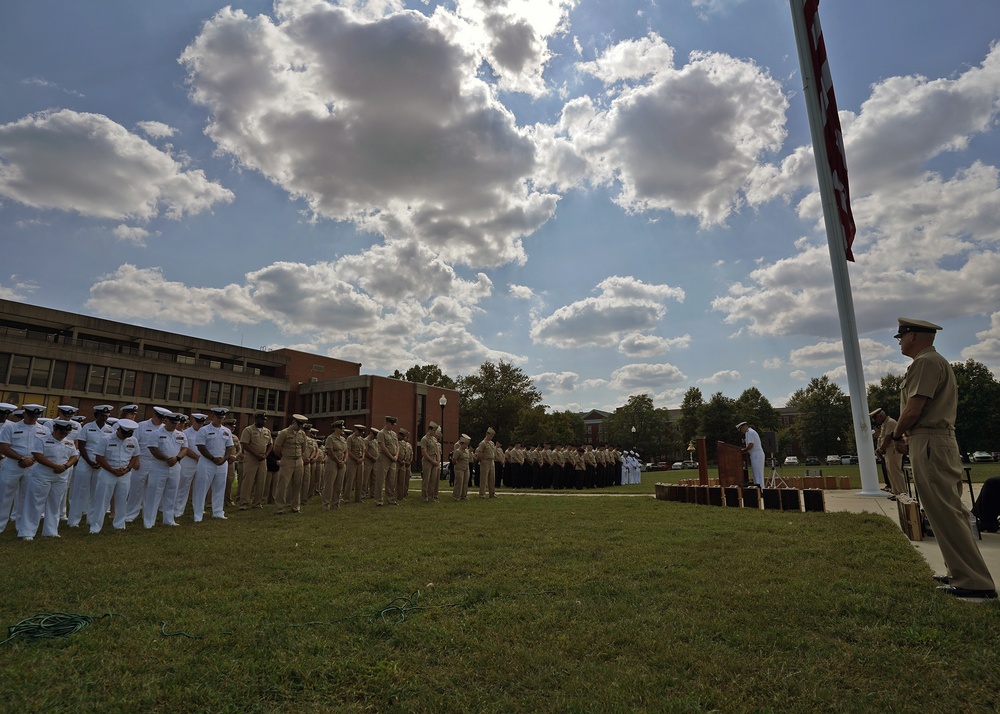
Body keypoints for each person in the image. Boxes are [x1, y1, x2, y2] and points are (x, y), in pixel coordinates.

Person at [890, 317, 997, 600]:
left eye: (900, 336)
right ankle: (960, 572)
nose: (899, 341)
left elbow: (913, 410)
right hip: (931, 440)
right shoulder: (934, 362)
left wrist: (895, 435)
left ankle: (974, 582)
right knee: (944, 511)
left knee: (946, 512)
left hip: (931, 442)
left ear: (912, 336)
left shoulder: (925, 363)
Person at [19, 419, 78, 540]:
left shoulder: (69, 442)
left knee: (55, 503)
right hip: (43, 475)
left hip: (61, 475)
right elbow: (37, 455)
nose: (63, 435)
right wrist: (54, 466)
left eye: (66, 433)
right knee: (35, 503)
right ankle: (27, 532)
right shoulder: (42, 439)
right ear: (55, 429)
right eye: (61, 432)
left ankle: (50, 531)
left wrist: (65, 466)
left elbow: (74, 456)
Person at [0, 404, 49, 533]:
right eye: (31, 415)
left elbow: (46, 448)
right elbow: (4, 447)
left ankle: (23, 528)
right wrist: (21, 459)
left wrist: (32, 459)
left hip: (33, 465)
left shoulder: (44, 430)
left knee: (27, 497)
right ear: (24, 414)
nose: (34, 419)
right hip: (12, 464)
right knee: (4, 495)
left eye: (36, 416)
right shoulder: (11, 427)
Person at [90, 418, 140, 534]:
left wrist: (127, 468)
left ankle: (119, 525)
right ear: (119, 429)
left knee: (122, 500)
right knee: (102, 500)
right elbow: (99, 457)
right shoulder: (106, 439)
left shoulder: (133, 440)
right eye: (125, 433)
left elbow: (135, 456)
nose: (127, 436)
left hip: (124, 473)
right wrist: (111, 470)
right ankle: (95, 527)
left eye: (129, 433)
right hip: (108, 473)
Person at [69, 404, 114, 527]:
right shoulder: (87, 427)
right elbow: (82, 446)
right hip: (86, 461)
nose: (104, 418)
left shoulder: (110, 429)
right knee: (80, 491)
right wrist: (89, 461)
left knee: (96, 492)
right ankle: (73, 521)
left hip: (101, 464)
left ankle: (92, 518)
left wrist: (101, 462)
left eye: (106, 416)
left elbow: (109, 448)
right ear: (96, 415)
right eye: (102, 415)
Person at [145, 412, 188, 528]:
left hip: (175, 467)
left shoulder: (181, 435)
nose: (174, 425)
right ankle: (149, 521)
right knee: (154, 494)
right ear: (166, 421)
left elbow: (184, 449)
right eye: (172, 422)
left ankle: (169, 519)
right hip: (159, 466)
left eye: (176, 423)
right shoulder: (156, 433)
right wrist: (167, 459)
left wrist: (177, 458)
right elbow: (153, 449)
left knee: (172, 493)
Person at [192, 407, 234, 522]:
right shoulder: (204, 430)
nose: (220, 420)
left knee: (220, 487)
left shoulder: (227, 431)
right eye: (218, 417)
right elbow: (201, 446)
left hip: (222, 463)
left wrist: (224, 459)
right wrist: (212, 458)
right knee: (202, 488)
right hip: (207, 462)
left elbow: (230, 446)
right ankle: (198, 514)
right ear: (212, 416)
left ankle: (218, 512)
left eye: (222, 418)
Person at [272, 414, 308, 515]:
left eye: (302, 425)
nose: (301, 426)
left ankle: (295, 507)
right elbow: (276, 448)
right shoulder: (284, 433)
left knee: (297, 484)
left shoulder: (302, 434)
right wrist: (284, 456)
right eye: (299, 424)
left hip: (299, 460)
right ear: (294, 422)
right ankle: (279, 508)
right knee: (283, 485)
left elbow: (303, 447)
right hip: (287, 460)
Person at [238, 411, 272, 510]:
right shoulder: (248, 430)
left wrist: (266, 454)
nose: (262, 421)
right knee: (248, 481)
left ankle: (257, 503)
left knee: (261, 481)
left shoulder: (267, 431)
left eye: (264, 420)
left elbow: (270, 444)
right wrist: (256, 455)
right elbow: (245, 444)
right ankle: (244, 503)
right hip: (251, 458)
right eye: (260, 419)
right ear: (256, 419)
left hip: (262, 459)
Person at [869, 407, 906, 497]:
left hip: (893, 450)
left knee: (895, 472)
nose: (875, 420)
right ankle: (896, 492)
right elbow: (881, 438)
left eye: (876, 418)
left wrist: (881, 449)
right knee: (890, 472)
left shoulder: (890, 422)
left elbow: (888, 438)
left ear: (881, 416)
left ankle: (902, 493)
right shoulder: (884, 424)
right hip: (887, 451)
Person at [323, 421, 347, 510]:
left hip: (342, 463)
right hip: (332, 463)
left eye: (342, 428)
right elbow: (330, 452)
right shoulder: (330, 438)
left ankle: (336, 504)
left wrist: (344, 461)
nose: (342, 430)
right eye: (340, 428)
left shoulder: (343, 439)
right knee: (329, 484)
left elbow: (346, 451)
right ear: (336, 428)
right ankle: (326, 504)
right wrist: (338, 461)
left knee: (338, 485)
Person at [737, 421, 764, 488]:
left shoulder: (749, 432)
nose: (742, 431)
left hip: (756, 454)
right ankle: (760, 489)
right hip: (756, 454)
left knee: (757, 474)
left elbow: (751, 445)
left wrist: (743, 450)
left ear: (743, 427)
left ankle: (760, 490)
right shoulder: (751, 432)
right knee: (757, 474)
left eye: (741, 430)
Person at [419, 421, 441, 502]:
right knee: (426, 479)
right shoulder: (424, 439)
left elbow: (437, 451)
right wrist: (432, 461)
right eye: (433, 430)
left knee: (433, 480)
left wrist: (438, 460)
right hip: (428, 460)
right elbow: (424, 452)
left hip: (435, 460)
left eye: (435, 430)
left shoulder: (434, 439)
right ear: (429, 429)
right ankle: (425, 496)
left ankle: (431, 496)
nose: (435, 432)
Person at [476, 427, 498, 498]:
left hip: (491, 461)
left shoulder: (491, 443)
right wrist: (481, 461)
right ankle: (482, 494)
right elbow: (479, 453)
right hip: (485, 461)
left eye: (492, 436)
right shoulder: (483, 443)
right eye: (490, 436)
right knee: (483, 478)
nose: (491, 437)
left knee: (492, 478)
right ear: (487, 434)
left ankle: (492, 493)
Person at [451, 434, 472, 500]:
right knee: (459, 482)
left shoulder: (466, 451)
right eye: (465, 444)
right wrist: (456, 464)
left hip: (466, 468)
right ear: (462, 444)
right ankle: (456, 495)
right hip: (459, 468)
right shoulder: (458, 451)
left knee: (465, 482)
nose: (466, 446)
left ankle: (464, 495)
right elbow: (454, 460)